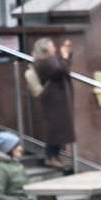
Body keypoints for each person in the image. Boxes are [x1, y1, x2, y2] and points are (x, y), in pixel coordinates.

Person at [32, 37, 74, 171]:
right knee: (54, 129)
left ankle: (55, 156)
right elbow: (61, 71)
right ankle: (50, 157)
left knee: (59, 129)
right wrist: (65, 56)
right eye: (51, 46)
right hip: (52, 99)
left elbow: (61, 68)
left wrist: (65, 54)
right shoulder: (42, 63)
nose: (54, 48)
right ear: (44, 49)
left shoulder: (50, 60)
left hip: (58, 99)